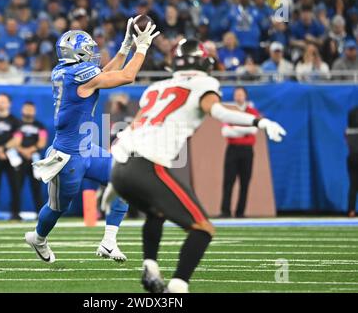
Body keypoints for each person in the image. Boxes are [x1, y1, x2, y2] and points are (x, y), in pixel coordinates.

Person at [108, 38, 286, 293]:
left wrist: (113, 183)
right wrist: (258, 122)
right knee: (203, 229)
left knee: (156, 213)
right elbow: (220, 113)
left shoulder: (156, 87)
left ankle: (151, 267)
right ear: (204, 63)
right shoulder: (204, 83)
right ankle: (177, 288)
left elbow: (131, 131)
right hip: (148, 165)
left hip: (122, 165)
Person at [24, 19, 160, 263]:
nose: (92, 54)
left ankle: (109, 242)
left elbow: (103, 75)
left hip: (87, 149)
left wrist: (125, 46)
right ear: (75, 53)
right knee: (57, 208)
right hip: (68, 156)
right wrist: (143, 47)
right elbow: (126, 76)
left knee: (123, 180)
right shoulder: (77, 74)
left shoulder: (68, 71)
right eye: (88, 50)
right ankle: (38, 237)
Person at [220, 87, 260, 218]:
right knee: (228, 181)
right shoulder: (229, 112)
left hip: (247, 151)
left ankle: (240, 212)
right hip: (232, 149)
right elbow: (225, 131)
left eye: (241, 94)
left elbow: (254, 130)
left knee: (245, 182)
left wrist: (235, 128)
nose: (238, 97)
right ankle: (225, 211)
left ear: (245, 96)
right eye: (236, 94)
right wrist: (245, 129)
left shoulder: (251, 111)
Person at [16, 102, 48, 213]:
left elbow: (42, 142)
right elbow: (14, 141)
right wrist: (22, 150)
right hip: (19, 159)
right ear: (22, 110)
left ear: (35, 111)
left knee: (36, 187)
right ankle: (15, 213)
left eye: (31, 109)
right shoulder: (17, 125)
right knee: (16, 186)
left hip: (35, 159)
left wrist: (30, 150)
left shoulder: (40, 126)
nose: (29, 111)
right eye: (26, 108)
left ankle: (40, 213)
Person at [346, 106, 358, 218]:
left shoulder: (348, 132)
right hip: (354, 157)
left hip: (352, 157)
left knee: (353, 185)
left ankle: (351, 210)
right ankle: (351, 210)